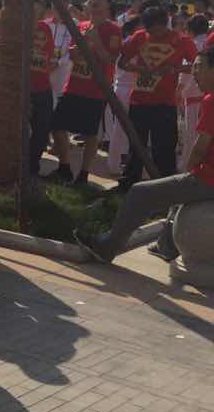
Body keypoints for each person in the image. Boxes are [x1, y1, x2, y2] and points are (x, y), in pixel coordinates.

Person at [80, 44, 214, 263]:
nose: (194, 73)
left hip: (209, 179)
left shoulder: (211, 99)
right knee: (177, 195)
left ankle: (107, 246)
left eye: (199, 67)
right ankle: (167, 246)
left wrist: (188, 171)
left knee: (140, 193)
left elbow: (200, 148)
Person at [116, 4, 198, 191]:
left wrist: (175, 69)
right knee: (136, 144)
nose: (154, 35)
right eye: (150, 31)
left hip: (165, 103)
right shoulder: (139, 37)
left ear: (165, 24)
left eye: (157, 31)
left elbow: (197, 65)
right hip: (139, 101)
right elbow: (122, 62)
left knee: (164, 147)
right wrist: (139, 69)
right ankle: (129, 182)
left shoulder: (181, 40)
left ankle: (165, 186)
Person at [51, 0, 123, 184]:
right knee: (56, 126)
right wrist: (79, 46)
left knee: (90, 133)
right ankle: (64, 167)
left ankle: (83, 174)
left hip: (96, 91)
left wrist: (96, 40)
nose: (94, 2)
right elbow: (73, 55)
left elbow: (109, 59)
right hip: (73, 86)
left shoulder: (114, 30)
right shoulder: (81, 26)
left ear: (108, 5)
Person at [27, 0, 57, 177]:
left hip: (42, 87)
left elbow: (50, 56)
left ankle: (32, 167)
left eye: (40, 5)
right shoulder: (16, 27)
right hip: (21, 89)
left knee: (41, 130)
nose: (37, 8)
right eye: (35, 4)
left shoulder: (45, 28)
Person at [181, 15, 210, 165]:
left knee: (192, 135)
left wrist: (179, 90)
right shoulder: (209, 43)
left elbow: (186, 74)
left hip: (193, 94)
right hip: (207, 93)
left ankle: (187, 166)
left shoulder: (192, 45)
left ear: (190, 30)